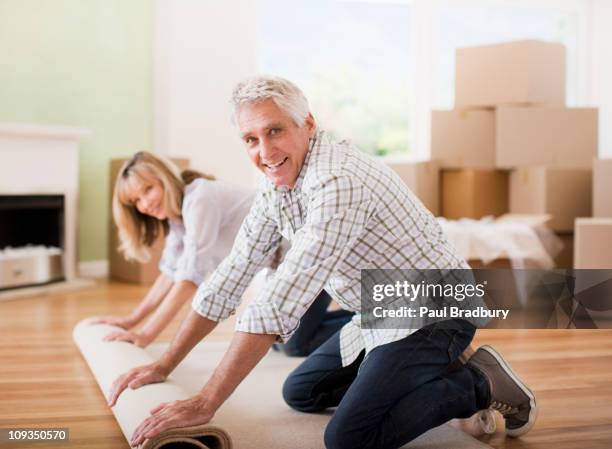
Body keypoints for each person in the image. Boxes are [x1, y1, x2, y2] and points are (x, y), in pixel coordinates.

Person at [108, 76, 538, 449]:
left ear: (307, 124)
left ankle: (477, 382)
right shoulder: (275, 182)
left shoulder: (338, 183)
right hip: (377, 309)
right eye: (251, 139)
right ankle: (432, 367)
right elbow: (232, 272)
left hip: (433, 308)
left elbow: (280, 301)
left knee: (350, 438)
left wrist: (205, 402)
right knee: (303, 392)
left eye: (275, 131)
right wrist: (164, 364)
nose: (264, 150)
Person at [89, 151, 255, 347]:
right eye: (136, 201)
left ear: (164, 178)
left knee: (290, 343)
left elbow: (190, 278)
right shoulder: (177, 218)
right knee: (287, 344)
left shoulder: (201, 198)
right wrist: (131, 320)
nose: (145, 204)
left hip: (294, 254)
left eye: (148, 189)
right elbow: (170, 273)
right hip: (278, 268)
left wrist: (145, 334)